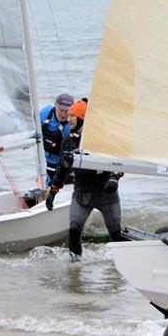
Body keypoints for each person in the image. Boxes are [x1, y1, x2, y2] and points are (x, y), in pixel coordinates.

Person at [45, 99, 124, 260]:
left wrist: (114, 178)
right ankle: (75, 267)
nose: (68, 118)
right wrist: (53, 192)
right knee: (74, 229)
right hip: (81, 194)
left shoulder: (99, 139)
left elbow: (119, 160)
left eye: (73, 115)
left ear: (82, 118)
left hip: (106, 194)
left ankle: (126, 264)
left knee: (116, 234)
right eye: (69, 115)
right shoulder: (69, 140)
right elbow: (62, 167)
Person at [40, 93, 73, 186]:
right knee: (47, 186)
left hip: (63, 164)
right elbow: (30, 125)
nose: (63, 114)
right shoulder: (45, 113)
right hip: (46, 160)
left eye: (67, 111)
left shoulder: (72, 122)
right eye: (61, 110)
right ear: (55, 105)